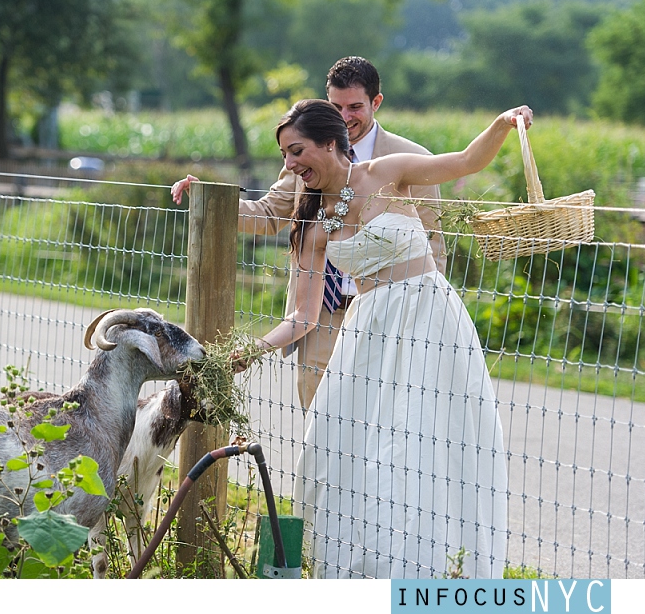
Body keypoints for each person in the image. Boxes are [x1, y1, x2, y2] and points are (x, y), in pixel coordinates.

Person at [246, 98, 526, 579]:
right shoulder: (312, 223)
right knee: (349, 451)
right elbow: (303, 316)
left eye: (296, 152)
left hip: (428, 320)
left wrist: (502, 123)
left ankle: (437, 572)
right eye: (285, 156)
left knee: (418, 445)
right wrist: (251, 350)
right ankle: (362, 573)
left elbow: (464, 162)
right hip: (368, 331)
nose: (289, 165)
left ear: (330, 144)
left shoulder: (387, 172)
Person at [172, 56, 446, 411]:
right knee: (322, 417)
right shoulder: (303, 159)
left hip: (392, 316)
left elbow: (433, 242)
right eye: (336, 106)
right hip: (322, 314)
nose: (345, 117)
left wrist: (429, 318)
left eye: (355, 107)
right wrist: (210, 200)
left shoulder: (409, 158)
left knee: (388, 414)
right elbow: (268, 215)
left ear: (376, 103)